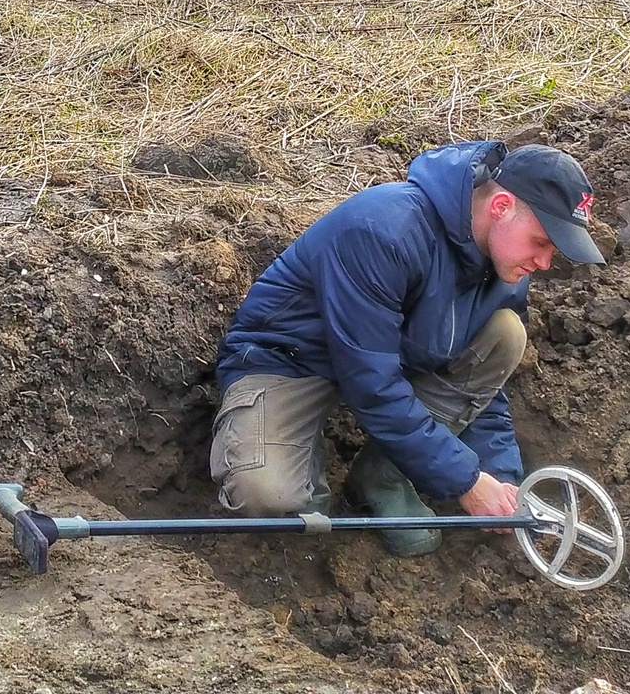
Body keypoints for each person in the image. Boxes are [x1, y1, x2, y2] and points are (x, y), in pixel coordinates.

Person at [209, 140, 605, 556]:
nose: (544, 262)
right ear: (501, 206)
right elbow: (372, 384)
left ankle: (381, 478)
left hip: (390, 360)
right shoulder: (383, 229)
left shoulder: (506, 266)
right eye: (540, 241)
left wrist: (501, 478)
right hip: (291, 360)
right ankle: (303, 452)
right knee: (268, 496)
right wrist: (465, 481)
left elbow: (484, 390)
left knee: (506, 334)